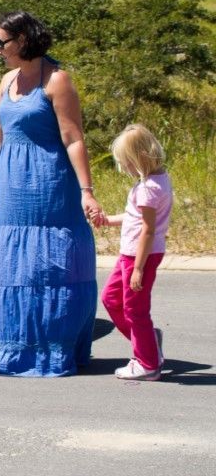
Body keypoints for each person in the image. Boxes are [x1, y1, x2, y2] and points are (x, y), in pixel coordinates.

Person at [0, 11, 102, 377]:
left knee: (50, 266)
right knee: (16, 269)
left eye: (1, 43)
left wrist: (87, 191)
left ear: (23, 40)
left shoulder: (57, 81)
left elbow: (73, 139)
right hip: (12, 191)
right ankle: (20, 352)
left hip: (51, 187)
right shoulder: (7, 80)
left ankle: (55, 353)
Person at [93, 124, 172, 381]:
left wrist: (138, 268)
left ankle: (148, 363)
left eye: (125, 162)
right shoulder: (155, 181)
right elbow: (133, 217)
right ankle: (148, 342)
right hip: (131, 254)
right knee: (111, 299)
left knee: (135, 310)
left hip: (139, 257)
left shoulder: (149, 189)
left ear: (138, 158)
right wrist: (108, 220)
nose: (123, 168)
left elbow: (148, 230)